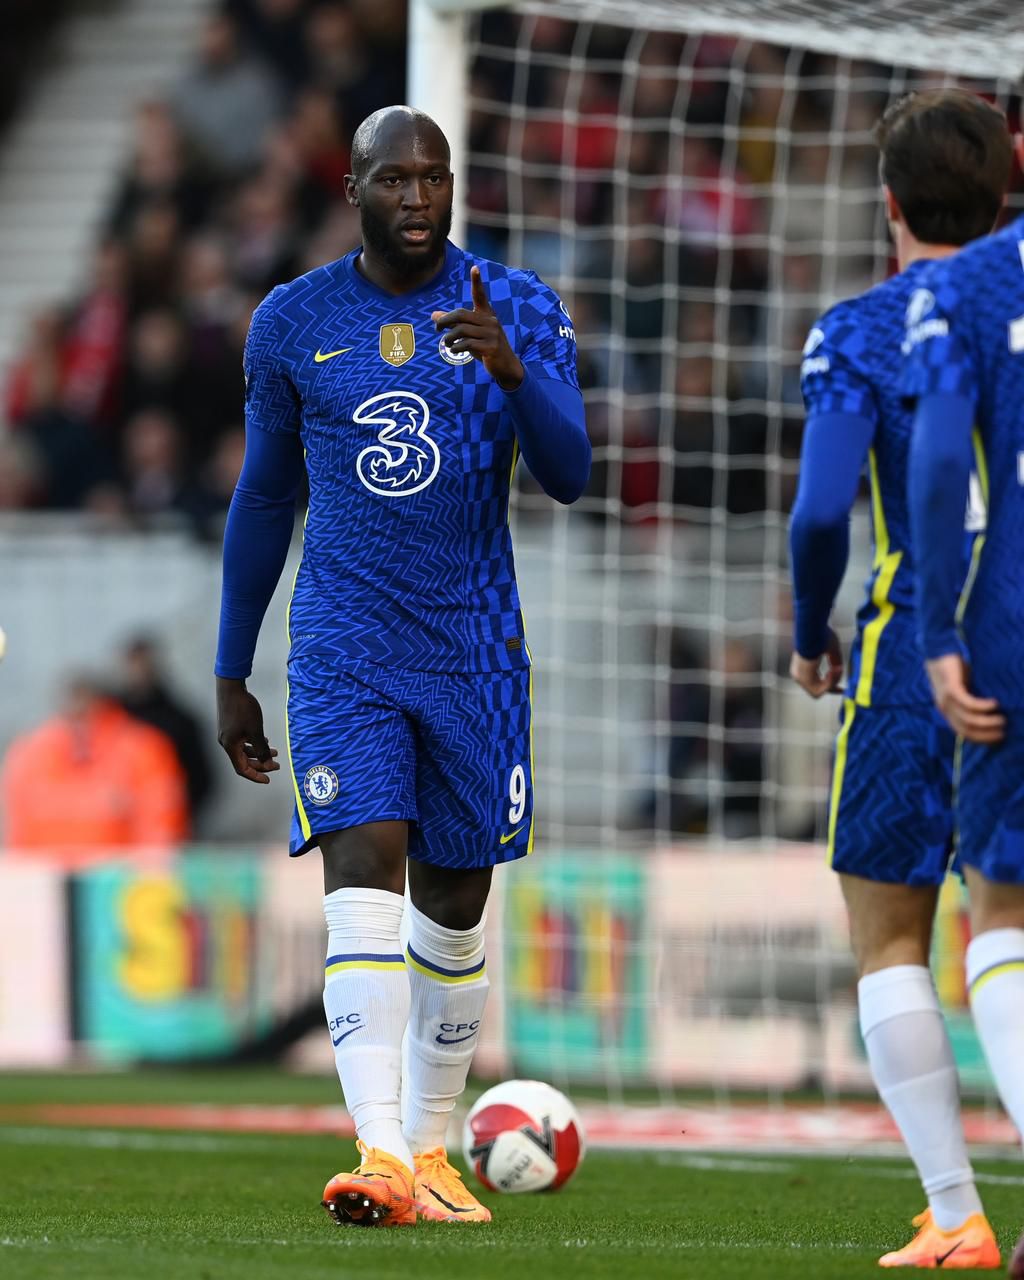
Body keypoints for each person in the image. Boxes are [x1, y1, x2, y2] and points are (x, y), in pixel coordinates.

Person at [214, 105, 589, 1227]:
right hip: (343, 641)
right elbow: (264, 494)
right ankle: (379, 1148)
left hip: (473, 648)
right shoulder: (294, 321)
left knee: (456, 904)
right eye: (395, 181)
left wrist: (517, 373)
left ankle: (429, 1148)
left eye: (434, 179)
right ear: (354, 189)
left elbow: (569, 472)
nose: (418, 199)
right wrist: (232, 665)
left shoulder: (513, 304)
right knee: (363, 861)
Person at [788, 89, 1012, 1270]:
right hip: (1017, 637)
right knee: (1012, 936)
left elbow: (823, 504)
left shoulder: (862, 327)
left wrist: (802, 623)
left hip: (904, 657)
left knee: (890, 941)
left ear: (886, 201)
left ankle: (955, 1208)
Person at [906, 129, 1024, 1280]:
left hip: (1013, 619)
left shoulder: (967, 283)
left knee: (1000, 912)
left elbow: (941, 466)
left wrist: (938, 632)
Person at [1, 676, 189, 860]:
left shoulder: (144, 749)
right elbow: (16, 830)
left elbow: (160, 828)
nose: (81, 726)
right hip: (45, 879)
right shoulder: (30, 752)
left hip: (119, 880)